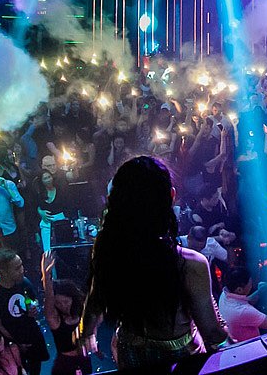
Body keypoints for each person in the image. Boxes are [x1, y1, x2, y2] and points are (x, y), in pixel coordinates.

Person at [74, 156, 229, 369]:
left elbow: (96, 296)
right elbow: (211, 333)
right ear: (172, 196)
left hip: (129, 352)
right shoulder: (190, 263)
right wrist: (234, 342)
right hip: (178, 359)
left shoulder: (107, 247)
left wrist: (87, 332)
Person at [0, 249, 48, 375]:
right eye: (17, 268)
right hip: (12, 342)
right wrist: (16, 343)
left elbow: (33, 299)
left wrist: (34, 307)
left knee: (36, 367)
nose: (22, 270)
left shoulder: (24, 282)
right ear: (4, 271)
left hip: (31, 334)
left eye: (21, 265)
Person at [41, 251, 91, 375]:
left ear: (72, 298)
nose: (63, 305)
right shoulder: (56, 319)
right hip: (65, 365)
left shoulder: (81, 312)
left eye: (65, 301)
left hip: (84, 360)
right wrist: (46, 277)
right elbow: (49, 299)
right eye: (58, 303)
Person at [217, 265, 267, 342]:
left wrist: (259, 291)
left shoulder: (225, 294)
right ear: (239, 290)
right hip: (250, 345)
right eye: (250, 283)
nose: (251, 285)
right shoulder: (242, 311)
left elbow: (246, 301)